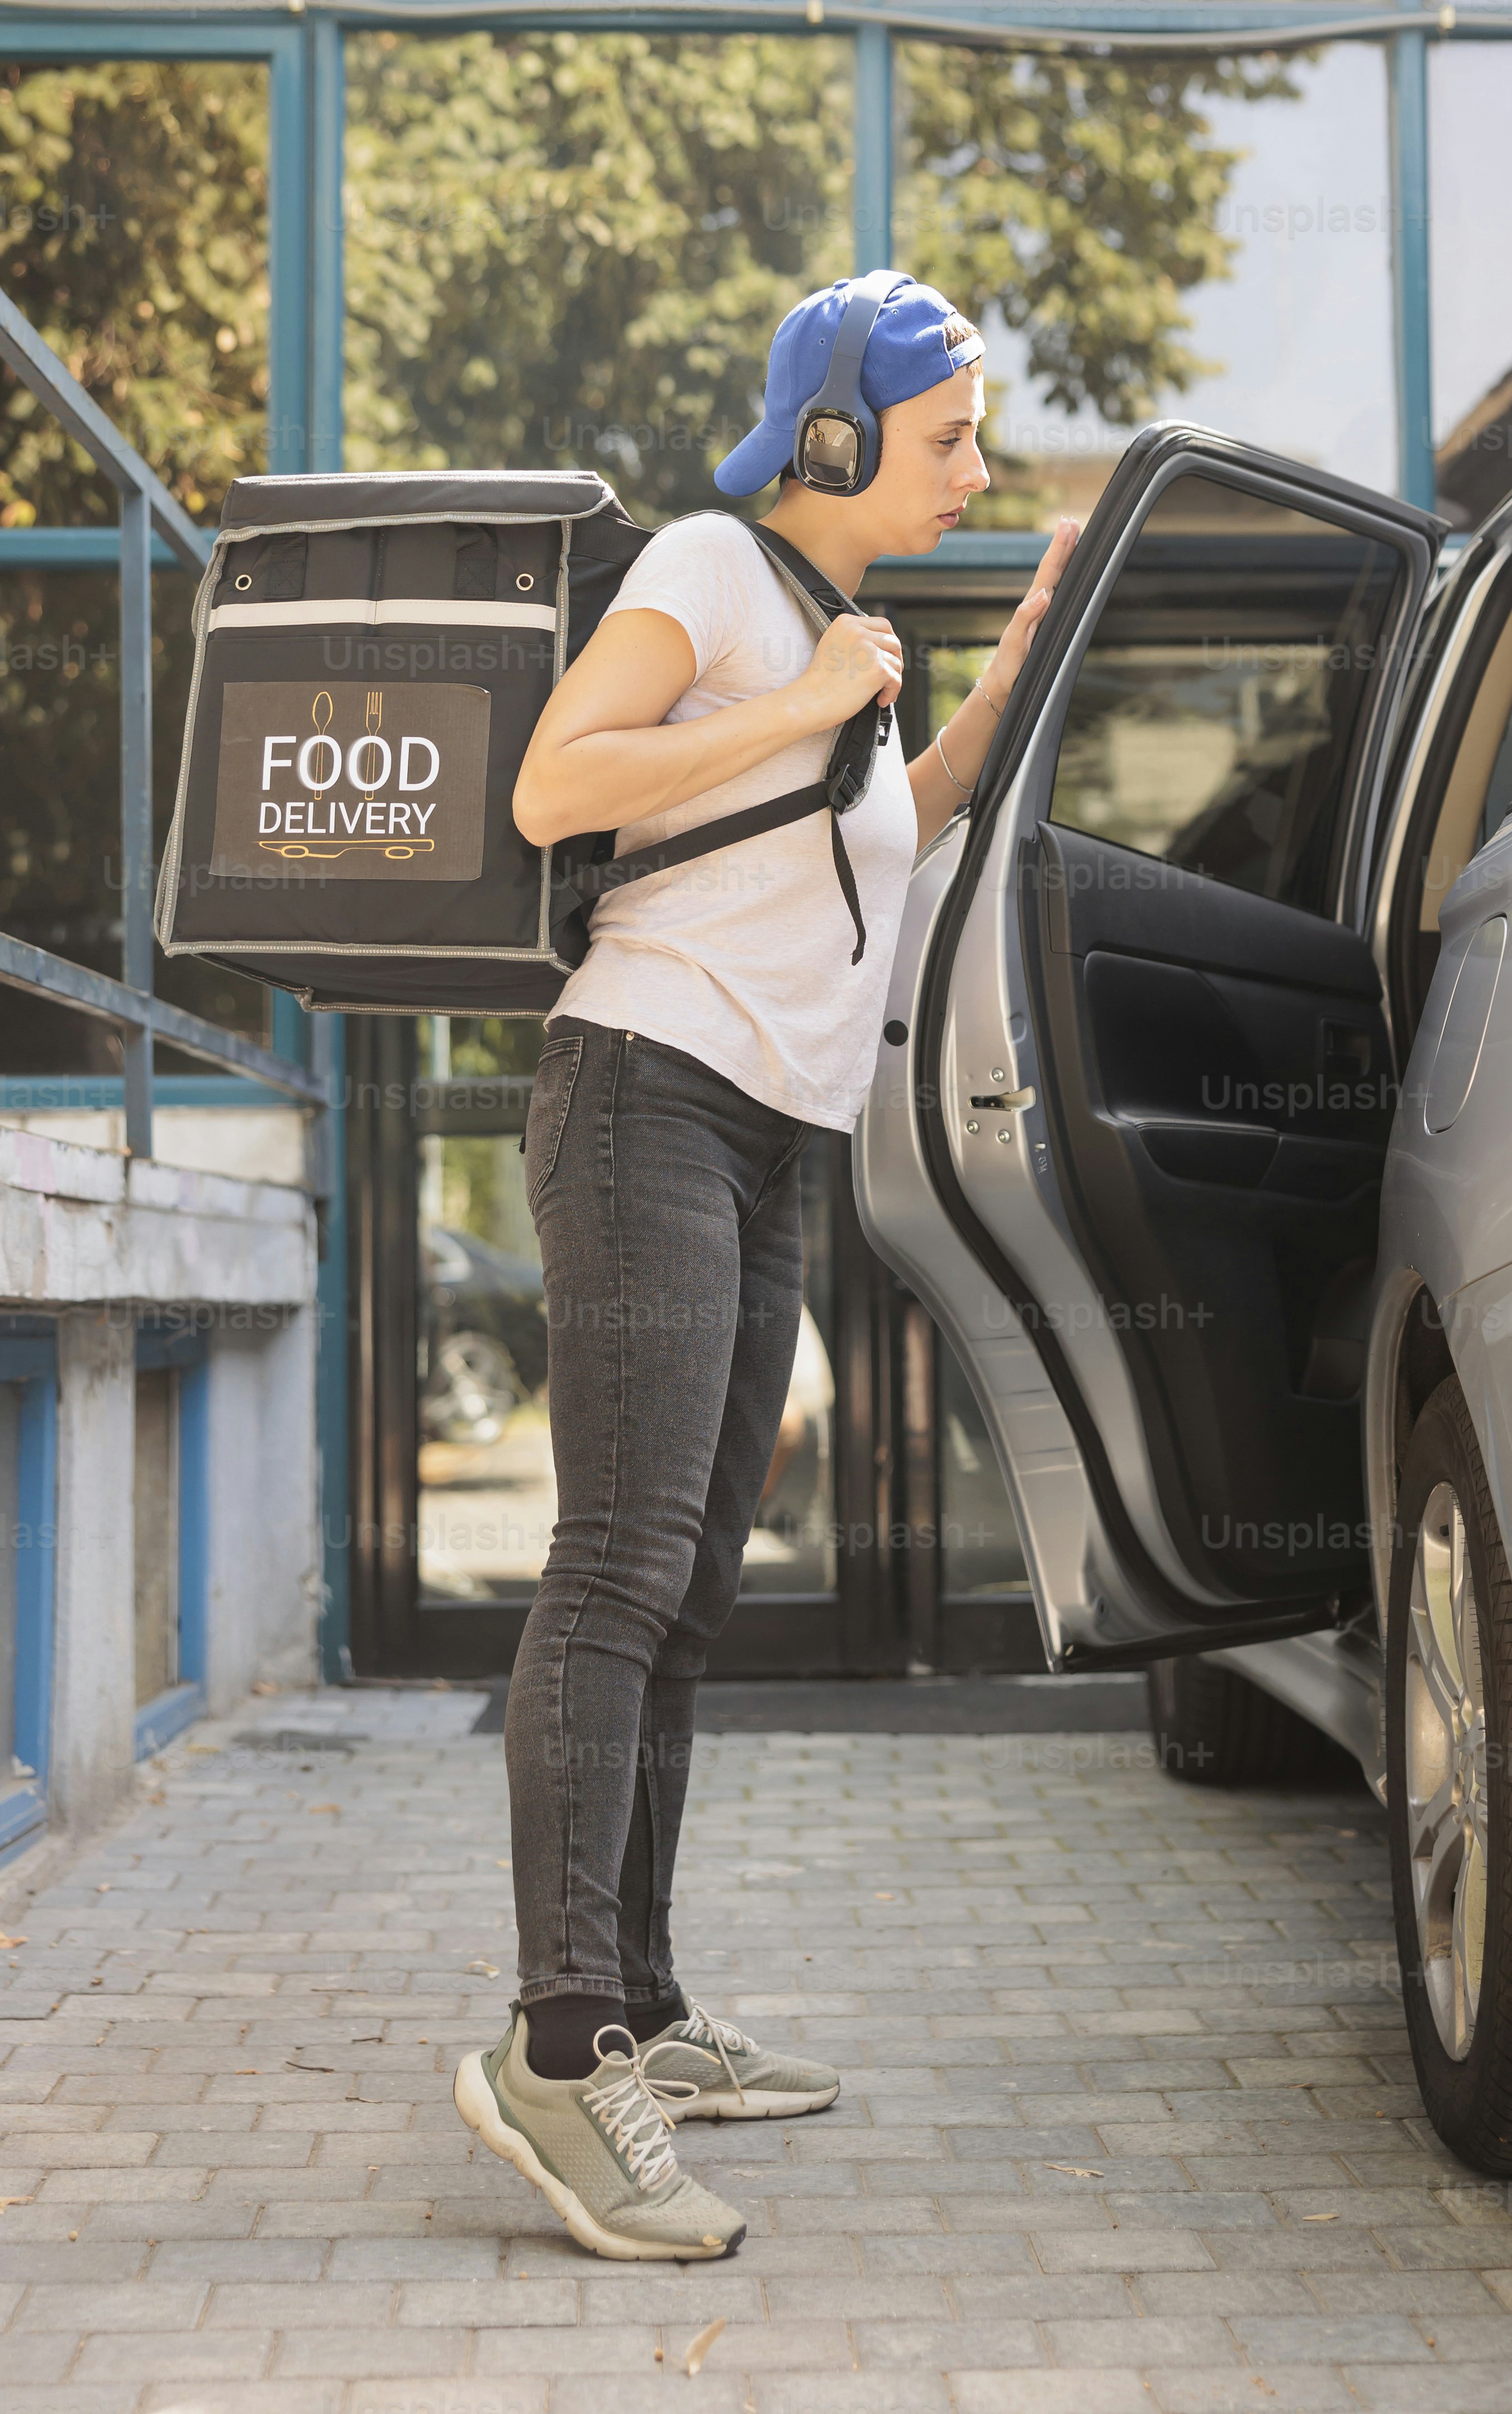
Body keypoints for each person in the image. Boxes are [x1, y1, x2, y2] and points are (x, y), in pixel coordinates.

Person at [452, 274, 1078, 2261]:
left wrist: (999, 675)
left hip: (764, 1130)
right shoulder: (714, 567)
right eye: (947, 433)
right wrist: (820, 701)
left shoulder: (835, 641)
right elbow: (559, 783)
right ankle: (559, 2052)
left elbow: (903, 819)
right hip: (647, 1096)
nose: (971, 464)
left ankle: (635, 1998)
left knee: (695, 1583)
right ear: (834, 439)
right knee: (619, 1565)